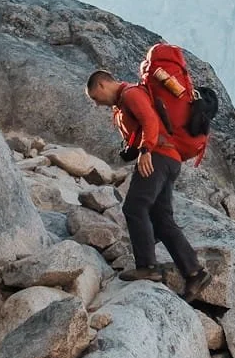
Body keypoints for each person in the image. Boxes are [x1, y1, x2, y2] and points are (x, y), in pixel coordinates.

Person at [86, 68, 211, 302]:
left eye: (95, 98)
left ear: (102, 85)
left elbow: (150, 120)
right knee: (161, 218)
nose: (96, 104)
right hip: (170, 159)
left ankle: (147, 266)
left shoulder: (131, 94)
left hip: (157, 156)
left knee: (134, 207)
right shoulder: (126, 100)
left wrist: (145, 150)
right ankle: (195, 273)